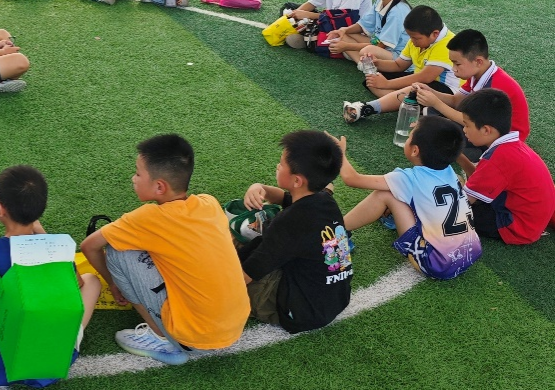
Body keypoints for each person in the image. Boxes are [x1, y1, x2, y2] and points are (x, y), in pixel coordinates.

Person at [79, 134, 247, 365]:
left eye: (138, 173)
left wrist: (114, 283)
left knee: (117, 252)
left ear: (159, 186)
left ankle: (160, 338)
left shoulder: (148, 218)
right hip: (235, 326)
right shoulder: (209, 203)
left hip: (194, 339)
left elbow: (89, 246)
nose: (133, 178)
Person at [0, 165, 101, 386]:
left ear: (0, 208)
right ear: (40, 209)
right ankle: (66, 338)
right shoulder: (59, 249)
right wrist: (44, 236)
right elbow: (76, 284)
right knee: (92, 281)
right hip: (53, 355)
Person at [236, 131, 353, 333]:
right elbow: (284, 198)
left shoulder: (289, 223)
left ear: (297, 181)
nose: (277, 166)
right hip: (335, 298)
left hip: (299, 311)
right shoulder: (324, 201)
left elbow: (247, 275)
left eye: (281, 164)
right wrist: (259, 187)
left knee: (233, 244)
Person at [336, 120, 480, 280]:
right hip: (470, 253)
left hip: (436, 264)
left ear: (415, 150)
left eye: (410, 136)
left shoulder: (408, 178)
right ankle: (393, 217)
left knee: (385, 194)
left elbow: (351, 179)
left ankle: (337, 233)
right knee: (404, 192)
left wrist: (340, 153)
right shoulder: (450, 172)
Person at [459, 89, 555, 245]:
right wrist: (459, 157)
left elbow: (464, 200)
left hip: (516, 226)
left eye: (466, 125)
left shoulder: (498, 158)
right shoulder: (511, 146)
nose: (464, 130)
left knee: (453, 214)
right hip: (532, 220)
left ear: (486, 130)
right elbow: (481, 179)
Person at [409, 29, 531, 144]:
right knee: (436, 116)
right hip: (482, 125)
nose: (453, 68)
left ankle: (474, 151)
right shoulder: (477, 74)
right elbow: (456, 101)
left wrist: (436, 103)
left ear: (478, 62)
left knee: (442, 134)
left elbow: (471, 121)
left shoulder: (495, 85)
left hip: (504, 138)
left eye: (457, 64)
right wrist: (430, 91)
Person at [343, 5, 459, 122]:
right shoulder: (418, 38)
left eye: (416, 38)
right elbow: (399, 65)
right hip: (420, 82)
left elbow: (425, 77)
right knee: (373, 80)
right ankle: (408, 104)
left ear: (435, 34)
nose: (412, 41)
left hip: (445, 91)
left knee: (417, 89)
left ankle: (365, 108)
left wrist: (387, 84)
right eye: (410, 37)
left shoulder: (446, 44)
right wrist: (377, 63)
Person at [324, 0, 411, 65]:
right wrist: (343, 30)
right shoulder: (380, 1)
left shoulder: (398, 12)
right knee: (343, 35)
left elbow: (381, 46)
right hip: (380, 46)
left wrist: (346, 46)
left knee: (367, 50)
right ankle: (365, 62)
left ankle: (364, 65)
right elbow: (362, 25)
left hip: (399, 57)